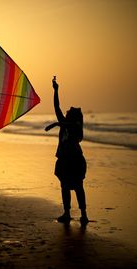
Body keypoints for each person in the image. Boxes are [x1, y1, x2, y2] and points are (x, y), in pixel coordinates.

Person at [45, 77, 89, 225]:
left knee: (78, 187)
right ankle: (67, 213)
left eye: (69, 112)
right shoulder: (65, 124)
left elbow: (70, 125)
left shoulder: (76, 127)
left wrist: (58, 123)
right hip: (64, 161)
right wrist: (56, 91)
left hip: (75, 161)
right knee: (64, 187)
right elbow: (57, 107)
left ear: (74, 117)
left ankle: (84, 214)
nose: (67, 112)